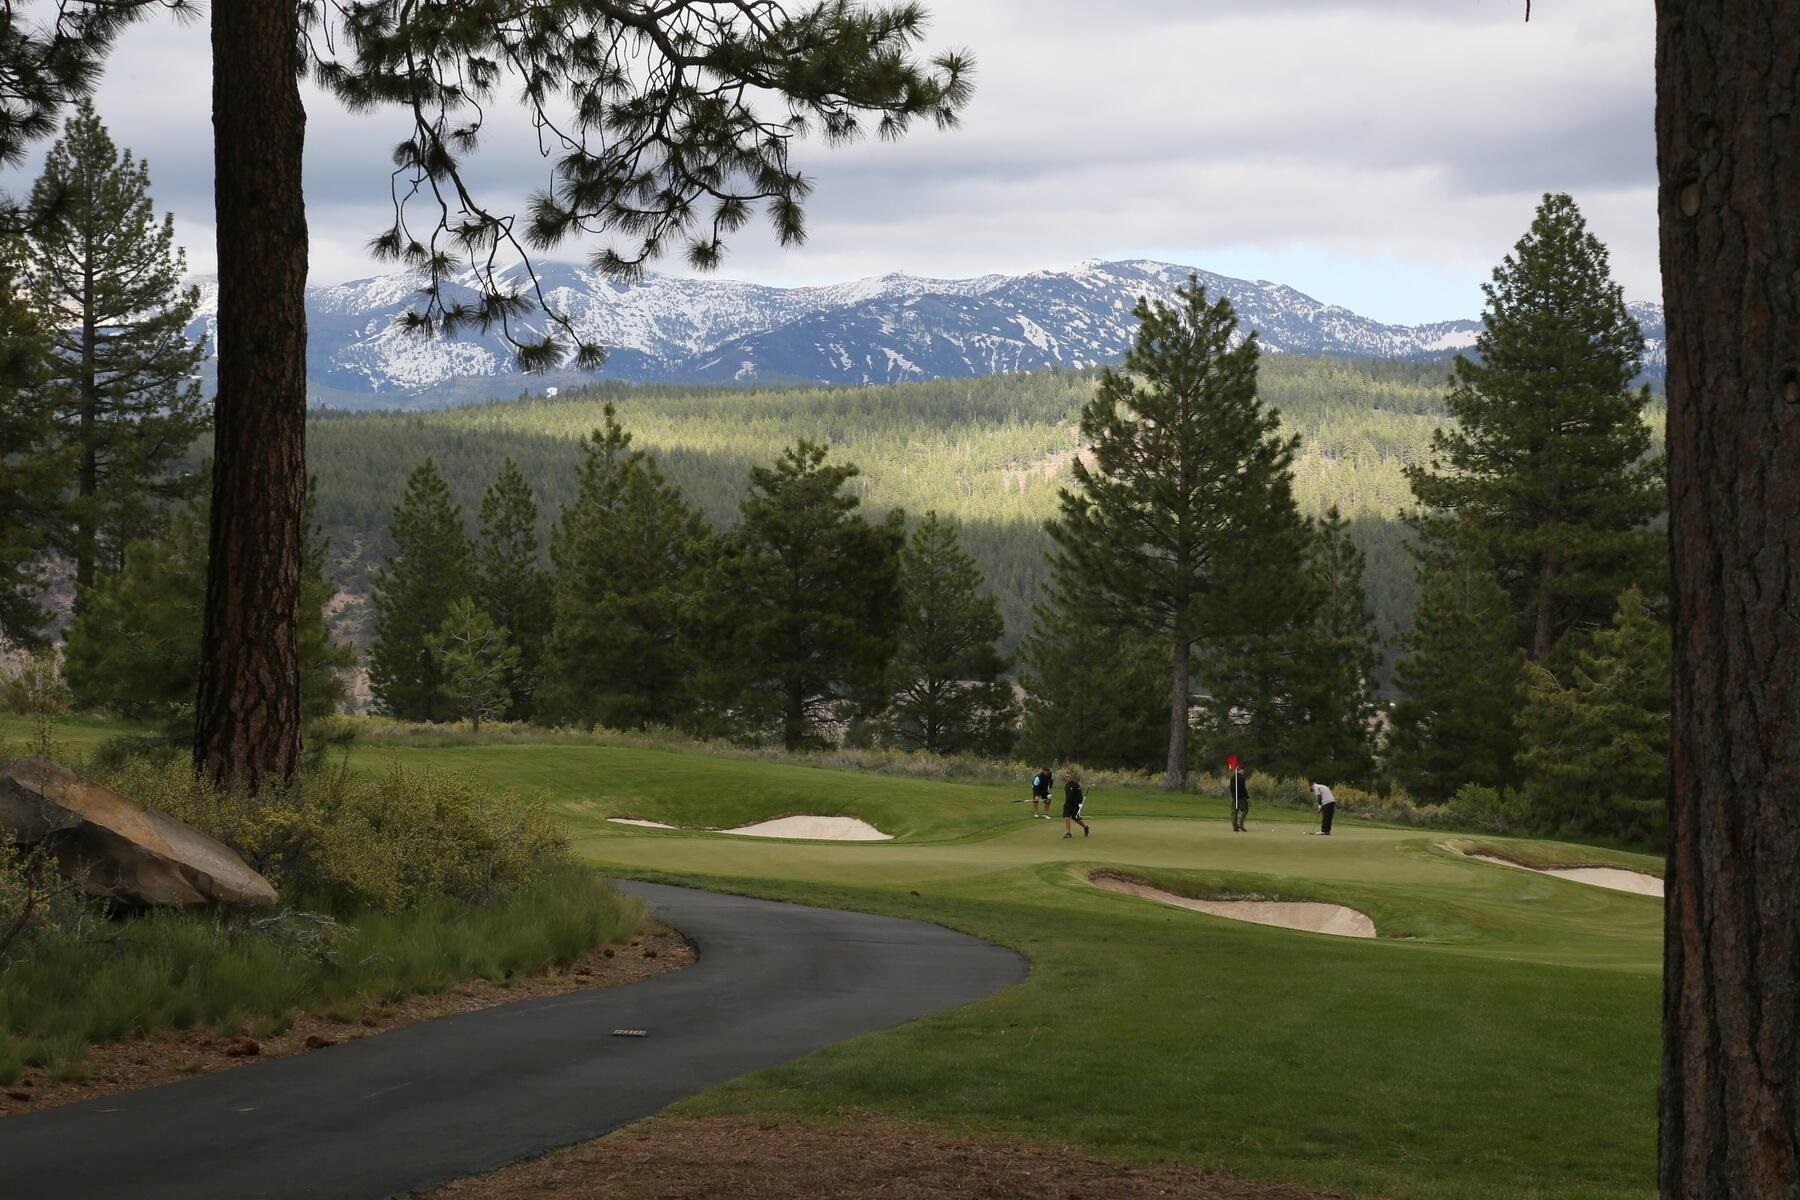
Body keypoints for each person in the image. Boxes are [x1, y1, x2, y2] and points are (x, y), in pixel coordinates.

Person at [1061, 770, 1090, 839]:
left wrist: (1080, 804)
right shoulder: (1066, 785)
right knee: (1066, 817)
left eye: (1068, 776)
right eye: (1066, 776)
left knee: (1076, 819)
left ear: (1071, 777)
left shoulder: (1076, 784)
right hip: (1067, 804)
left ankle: (1085, 826)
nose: (1067, 777)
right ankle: (1068, 833)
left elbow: (1079, 795)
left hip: (1075, 805)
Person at [1227, 756, 1249, 832]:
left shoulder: (1232, 778)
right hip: (1241, 797)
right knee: (1245, 810)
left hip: (1234, 797)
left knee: (1234, 812)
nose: (1243, 771)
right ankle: (1240, 823)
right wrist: (1247, 797)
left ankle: (1235, 827)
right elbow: (1243, 789)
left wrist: (1233, 796)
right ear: (1240, 770)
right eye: (1242, 770)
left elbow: (1231, 788)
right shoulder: (1242, 778)